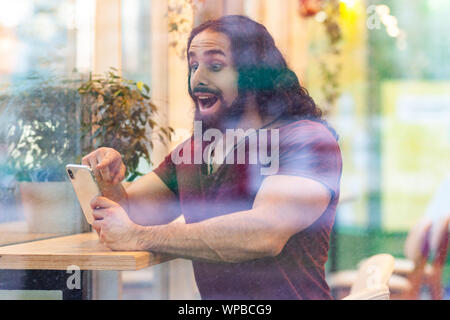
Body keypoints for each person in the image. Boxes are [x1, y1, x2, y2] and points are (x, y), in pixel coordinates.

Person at [82, 15, 342, 300]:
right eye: (193, 66)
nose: (198, 79)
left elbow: (263, 233)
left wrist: (138, 236)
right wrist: (108, 179)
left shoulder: (305, 139)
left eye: (215, 66)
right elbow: (130, 213)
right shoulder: (195, 150)